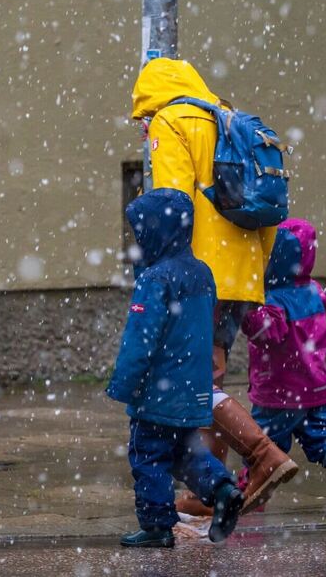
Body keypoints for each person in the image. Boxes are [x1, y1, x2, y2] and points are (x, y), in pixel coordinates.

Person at [131, 58, 298, 515]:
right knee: (211, 373)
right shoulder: (228, 118)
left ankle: (264, 456)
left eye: (143, 119)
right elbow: (268, 208)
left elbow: (171, 206)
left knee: (196, 381)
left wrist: (165, 277)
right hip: (241, 270)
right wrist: (252, 271)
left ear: (153, 103)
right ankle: (213, 493)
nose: (145, 128)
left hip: (198, 272)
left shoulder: (172, 120)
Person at [106, 188, 244, 547]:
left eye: (142, 233)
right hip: (191, 387)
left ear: (156, 232)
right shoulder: (202, 273)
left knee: (148, 453)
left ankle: (156, 526)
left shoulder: (155, 279)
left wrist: (124, 384)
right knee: (185, 451)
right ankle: (224, 489)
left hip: (158, 389)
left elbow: (141, 339)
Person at [240, 218, 326, 516]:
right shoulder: (314, 292)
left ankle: (248, 494)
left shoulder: (274, 301)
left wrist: (245, 311)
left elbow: (267, 332)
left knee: (262, 445)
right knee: (322, 437)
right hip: (315, 388)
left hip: (279, 393)